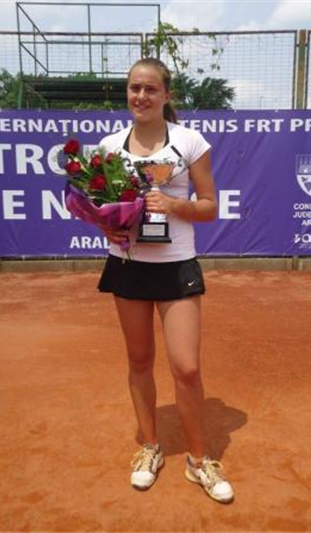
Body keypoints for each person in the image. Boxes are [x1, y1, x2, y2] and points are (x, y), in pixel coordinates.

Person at [97, 57, 234, 504]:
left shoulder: (190, 141)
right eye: (134, 88)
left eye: (150, 89)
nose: (141, 96)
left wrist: (175, 205)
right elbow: (104, 206)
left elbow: (209, 206)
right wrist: (108, 226)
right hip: (128, 264)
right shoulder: (110, 146)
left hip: (176, 265)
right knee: (139, 361)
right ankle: (151, 448)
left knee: (187, 368)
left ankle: (199, 460)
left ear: (166, 94)